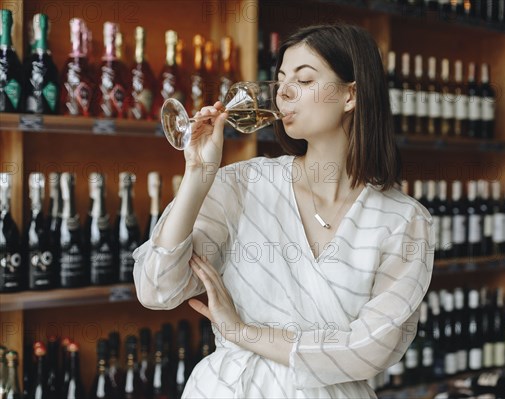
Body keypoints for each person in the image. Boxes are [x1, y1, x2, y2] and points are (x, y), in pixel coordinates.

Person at [133, 24, 435, 398]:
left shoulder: (404, 221)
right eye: (279, 81)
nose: (285, 93)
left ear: (351, 95)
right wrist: (198, 174)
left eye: (305, 80)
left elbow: (370, 349)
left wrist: (243, 332)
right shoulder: (244, 184)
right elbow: (156, 288)